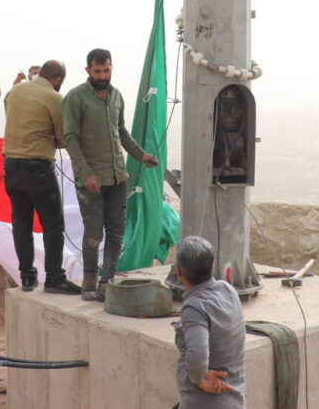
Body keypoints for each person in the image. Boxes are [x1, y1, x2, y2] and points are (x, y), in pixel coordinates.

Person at [63, 48, 158, 299]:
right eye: (97, 71)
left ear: (111, 68)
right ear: (88, 70)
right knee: (94, 233)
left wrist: (142, 156)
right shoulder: (75, 98)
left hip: (118, 177)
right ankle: (89, 283)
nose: (103, 75)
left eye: (106, 70)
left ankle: (107, 282)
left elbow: (122, 133)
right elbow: (70, 138)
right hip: (91, 181)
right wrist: (85, 174)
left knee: (116, 232)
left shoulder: (116, 96)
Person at [2, 60, 80, 295]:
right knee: (53, 224)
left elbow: (12, 119)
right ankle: (55, 277)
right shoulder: (55, 98)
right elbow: (63, 137)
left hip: (10, 166)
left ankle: (27, 277)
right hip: (37, 168)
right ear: (57, 80)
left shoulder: (14, 91)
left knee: (21, 224)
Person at [172, 236, 245, 408]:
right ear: (213, 264)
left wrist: (199, 379)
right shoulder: (229, 290)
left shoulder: (194, 308)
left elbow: (198, 357)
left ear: (179, 272)